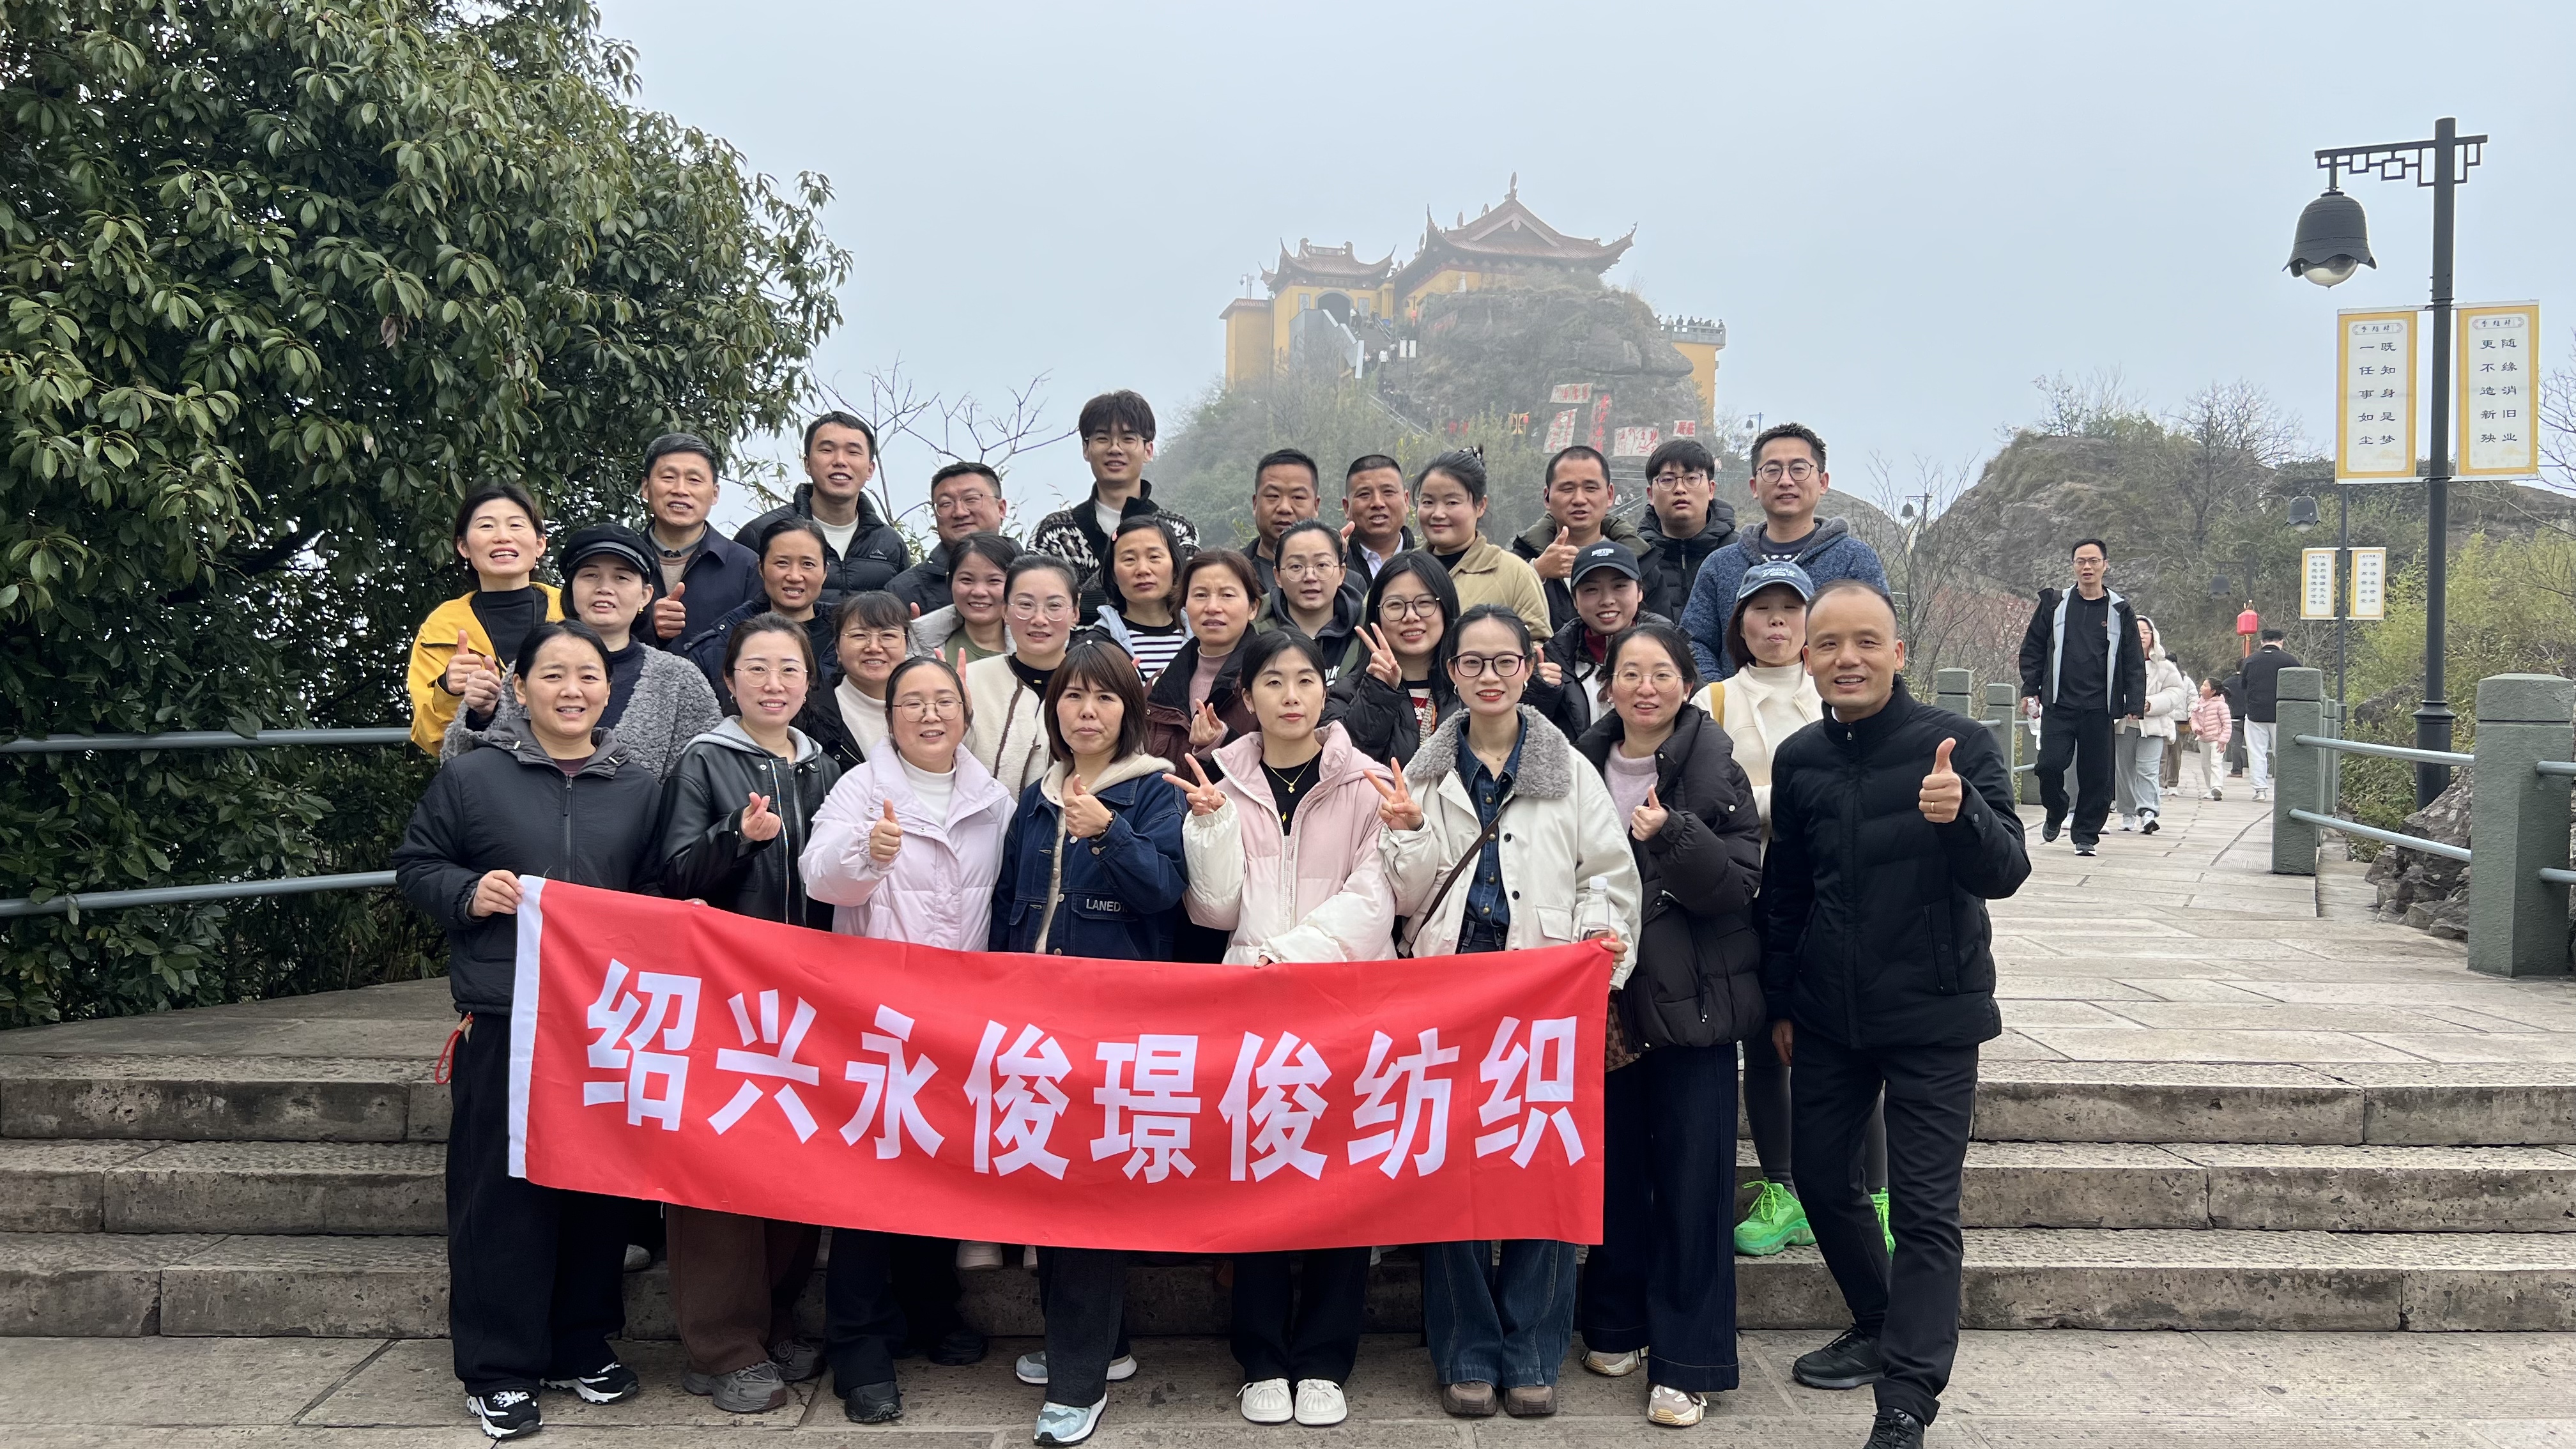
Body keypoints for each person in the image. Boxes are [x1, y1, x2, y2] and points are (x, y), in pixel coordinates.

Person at [1762, 580, 2029, 1449]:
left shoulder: (1958, 745)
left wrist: (1963, 817)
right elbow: (1786, 894)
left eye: (1867, 642)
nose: (1849, 659)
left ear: (1898, 653)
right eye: (1830, 644)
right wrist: (1780, 1002)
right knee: (1819, 1179)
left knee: (1922, 1208)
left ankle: (1908, 1396)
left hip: (1933, 1016)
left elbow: (2006, 870)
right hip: (1828, 1016)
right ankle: (1879, 1321)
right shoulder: (1800, 758)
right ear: (1809, 658)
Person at [1368, 603, 1641, 1422]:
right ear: (1451, 673)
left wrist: (1599, 937)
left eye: (1505, 662)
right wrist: (1407, 833)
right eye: (1472, 663)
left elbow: (1608, 874)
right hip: (1449, 996)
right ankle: (1466, 1351)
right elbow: (1404, 896)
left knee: (1542, 1171)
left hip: (1542, 995)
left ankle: (1532, 1352)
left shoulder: (1570, 770)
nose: (1489, 677)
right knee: (1450, 1175)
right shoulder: (1423, 772)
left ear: (1529, 669)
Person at [392, 620, 664, 1440]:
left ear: (608, 691)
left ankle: (581, 1342)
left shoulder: (640, 787)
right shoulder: (473, 777)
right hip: (508, 1012)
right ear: (520, 688)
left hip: (605, 1022)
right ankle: (499, 1368)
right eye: (552, 675)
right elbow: (418, 865)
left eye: (588, 675)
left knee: (598, 1192)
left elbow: (656, 887)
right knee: (501, 1198)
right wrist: (468, 893)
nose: (571, 690)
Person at [1169, 630, 1394, 1430]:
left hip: (1345, 1005)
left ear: (1325, 689)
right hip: (1254, 1009)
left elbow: (1377, 899)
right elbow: (1214, 911)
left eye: (1304, 679)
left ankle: (1327, 1359)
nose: (1291, 695)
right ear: (1248, 695)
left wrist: (1286, 956)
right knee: (1260, 1178)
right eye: (1273, 681)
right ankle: (1262, 1357)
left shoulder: (1365, 781)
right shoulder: (1222, 777)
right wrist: (1208, 830)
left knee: (1343, 1184)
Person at [801, 654, 1018, 1423]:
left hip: (962, 1020)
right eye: (912, 703)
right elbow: (819, 876)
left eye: (944, 702)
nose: (930, 715)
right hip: (879, 1017)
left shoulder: (994, 799)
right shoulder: (860, 787)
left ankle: (929, 1309)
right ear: (888, 718)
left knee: (938, 1167)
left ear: (966, 712)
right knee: (868, 1183)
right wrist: (868, 853)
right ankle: (858, 1345)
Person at [988, 638, 1188, 1448]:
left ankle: (1077, 1384)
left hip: (1114, 1026)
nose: (1087, 711)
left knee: (1087, 1195)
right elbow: (1010, 906)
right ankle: (1105, 1345)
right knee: (1050, 1182)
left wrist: (1109, 833)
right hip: (1036, 1020)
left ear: (1129, 710)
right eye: (1072, 696)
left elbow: (1166, 895)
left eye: (1103, 697)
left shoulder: (1154, 792)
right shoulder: (1035, 799)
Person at [1571, 623, 1765, 1429]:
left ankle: (1688, 1363)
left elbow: (1739, 885)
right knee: (1612, 1169)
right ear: (1608, 684)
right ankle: (1615, 1322)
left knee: (1693, 1183)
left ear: (1687, 684)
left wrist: (1674, 834)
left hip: (1692, 1006)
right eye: (1629, 673)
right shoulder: (1579, 763)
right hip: (1607, 1003)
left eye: (1661, 673)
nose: (1644, 687)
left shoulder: (1713, 766)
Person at [655, 614, 843, 1415]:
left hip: (807, 1000)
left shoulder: (826, 766)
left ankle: (775, 1318)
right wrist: (736, 835)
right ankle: (721, 1346)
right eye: (756, 669)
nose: (774, 683)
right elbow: (671, 874)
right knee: (720, 1167)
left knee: (795, 1161)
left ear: (809, 682)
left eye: (789, 669)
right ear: (729, 681)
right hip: (725, 999)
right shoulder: (705, 759)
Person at [1687, 562, 1885, 1262]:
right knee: (1765, 1040)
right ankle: (1782, 1188)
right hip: (1747, 893)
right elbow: (1708, 802)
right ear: (1738, 625)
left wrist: (1769, 799)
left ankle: (1877, 1193)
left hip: (1835, 891)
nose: (1776, 621)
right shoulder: (1713, 701)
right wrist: (1791, 800)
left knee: (1855, 1039)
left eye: (1790, 609)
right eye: (1761, 608)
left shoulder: (1838, 692)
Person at [441, 524, 720, 779]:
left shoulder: (679, 680)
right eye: (590, 575)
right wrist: (481, 715)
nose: (605, 588)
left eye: (621, 577)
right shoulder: (531, 667)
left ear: (645, 595)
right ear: (571, 589)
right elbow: (462, 770)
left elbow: (706, 779)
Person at [1680, 423, 1889, 682]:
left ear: (1823, 482)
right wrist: (1722, 696)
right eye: (1772, 470)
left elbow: (1876, 640)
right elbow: (1694, 642)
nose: (1786, 481)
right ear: (1754, 486)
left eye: (1799, 469)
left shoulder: (1855, 561)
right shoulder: (1720, 564)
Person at [408, 482, 565, 753]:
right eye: (486, 526)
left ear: (540, 544)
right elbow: (431, 739)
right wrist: (448, 691)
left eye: (516, 525)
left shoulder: (573, 610)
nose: (502, 536)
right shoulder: (441, 628)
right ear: (464, 547)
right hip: (485, 772)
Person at [2015, 539, 2145, 857]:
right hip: (2059, 704)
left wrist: (2134, 702)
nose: (2087, 567)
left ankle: (2086, 834)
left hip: (2100, 707)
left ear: (2105, 565)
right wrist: (2030, 690)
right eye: (2080, 561)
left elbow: (2132, 659)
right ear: (2073, 565)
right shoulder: (2054, 604)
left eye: (2093, 561)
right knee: (2048, 765)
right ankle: (2056, 808)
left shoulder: (2120, 609)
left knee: (2097, 777)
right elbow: (2033, 648)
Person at [1027, 390, 1199, 614]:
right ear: (1086, 449)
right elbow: (1037, 604)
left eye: (1128, 439)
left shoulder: (1178, 530)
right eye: (1102, 439)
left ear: (1148, 450)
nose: (1115, 449)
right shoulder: (1054, 532)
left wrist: (1085, 601)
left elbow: (1185, 601)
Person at [734, 412, 910, 597]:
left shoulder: (891, 545)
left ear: (870, 469)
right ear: (807, 464)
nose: (840, 461)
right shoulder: (761, 534)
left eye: (853, 452)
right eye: (827, 450)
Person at [681, 516, 838, 705]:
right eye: (782, 563)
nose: (795, 576)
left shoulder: (850, 640)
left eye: (808, 564)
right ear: (761, 568)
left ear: (825, 572)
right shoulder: (716, 648)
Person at [1324, 552, 1460, 769]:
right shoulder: (1344, 695)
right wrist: (1377, 693)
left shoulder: (1470, 688)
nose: (1411, 616)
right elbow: (1338, 766)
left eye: (1425, 603)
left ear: (1446, 608)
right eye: (1396, 605)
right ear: (1376, 615)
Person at [962, 555, 1082, 795]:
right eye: (1025, 605)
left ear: (1075, 614)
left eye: (1054, 606)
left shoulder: (1097, 685)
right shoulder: (970, 681)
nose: (1039, 619)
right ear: (1005, 611)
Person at [1142, 547, 1267, 768]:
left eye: (1227, 595)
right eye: (1200, 595)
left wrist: (1220, 742)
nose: (1212, 607)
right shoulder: (1159, 686)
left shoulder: (1271, 679)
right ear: (1185, 605)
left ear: (1253, 608)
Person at [637, 433, 763, 650]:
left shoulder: (747, 567)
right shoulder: (621, 560)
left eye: (694, 480)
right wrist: (644, 623)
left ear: (715, 494)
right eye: (668, 477)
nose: (680, 490)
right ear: (646, 488)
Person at [1529, 540, 1664, 741]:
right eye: (1591, 589)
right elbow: (1526, 736)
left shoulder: (1673, 652)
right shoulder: (1554, 660)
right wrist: (1539, 692)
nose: (1607, 600)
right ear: (1575, 600)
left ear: (1640, 592)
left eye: (1619, 586)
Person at [1512, 445, 1650, 633]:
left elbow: (1661, 630)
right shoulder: (1518, 561)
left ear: (1610, 495)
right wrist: (1536, 572)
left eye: (1590, 488)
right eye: (1567, 489)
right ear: (1547, 498)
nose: (1579, 499)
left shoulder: (1641, 558)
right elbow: (1493, 618)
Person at [1410, 449, 1551, 632]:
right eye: (1428, 502)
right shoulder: (1403, 569)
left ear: (1481, 506)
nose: (1438, 514)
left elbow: (1538, 642)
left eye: (1452, 502)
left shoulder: (1517, 575)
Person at [801, 591, 914, 773]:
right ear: (837, 648)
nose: (874, 647)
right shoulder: (809, 713)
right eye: (859, 636)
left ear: (906, 645)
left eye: (888, 635)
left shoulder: (930, 707)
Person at [1636, 437, 1737, 622]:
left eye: (1692, 478)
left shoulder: (1739, 554)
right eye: (1667, 480)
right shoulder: (1636, 559)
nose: (1680, 489)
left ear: (1711, 489)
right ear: (1650, 495)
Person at [889, 462, 1008, 615]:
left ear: (1001, 509)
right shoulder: (903, 592)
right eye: (946, 504)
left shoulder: (1033, 575)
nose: (960, 512)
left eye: (971, 499)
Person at [1092, 515, 1192, 684]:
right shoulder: (1098, 645)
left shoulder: (1203, 638)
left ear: (1175, 567)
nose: (1143, 570)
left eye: (1154, 557)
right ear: (1114, 574)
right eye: (1129, 559)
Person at [2116, 617, 2191, 835]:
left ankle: (2148, 812)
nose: (2141, 636)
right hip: (2124, 725)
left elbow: (2176, 692)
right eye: (2136, 631)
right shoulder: (2118, 662)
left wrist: (2151, 703)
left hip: (2154, 726)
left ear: (2153, 635)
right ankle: (2128, 812)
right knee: (2124, 771)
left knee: (2148, 770)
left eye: (2145, 632)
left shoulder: (2165, 666)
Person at [912, 532, 1018, 671]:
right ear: (950, 581)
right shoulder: (917, 645)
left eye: (994, 581)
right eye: (967, 580)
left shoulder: (1036, 650)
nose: (979, 592)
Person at [1267, 519, 1362, 674]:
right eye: (1296, 566)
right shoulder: (1254, 633)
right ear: (1278, 576)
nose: (1310, 577)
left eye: (1322, 565)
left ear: (1341, 573)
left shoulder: (1367, 633)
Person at [1245, 448, 1323, 595]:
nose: (1284, 508)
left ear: (1316, 505)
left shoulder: (1344, 580)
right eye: (1273, 496)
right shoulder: (1232, 574)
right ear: (1255, 504)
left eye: (1298, 497)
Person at [2235, 629, 2302, 802]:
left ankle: (2260, 790)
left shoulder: (2250, 660)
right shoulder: (2290, 661)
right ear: (2281, 642)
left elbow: (2243, 685)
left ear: (2262, 642)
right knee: (2284, 752)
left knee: (2257, 752)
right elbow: (2300, 685)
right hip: (2282, 714)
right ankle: (2286, 791)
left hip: (2255, 714)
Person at [1340, 453, 1416, 580]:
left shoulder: (1431, 560)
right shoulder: (1333, 565)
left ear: (1406, 501)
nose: (1378, 503)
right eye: (1364, 494)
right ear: (1347, 507)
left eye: (1388, 492)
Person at [2188, 677, 2234, 801]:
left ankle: (2217, 787)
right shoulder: (2198, 703)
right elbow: (2193, 719)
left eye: (2205, 685)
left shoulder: (2221, 705)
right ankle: (2210, 788)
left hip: (2217, 740)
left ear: (2213, 691)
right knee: (2205, 765)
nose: (2202, 687)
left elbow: (2227, 724)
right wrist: (2196, 729)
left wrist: (2223, 740)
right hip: (2203, 739)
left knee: (2216, 763)